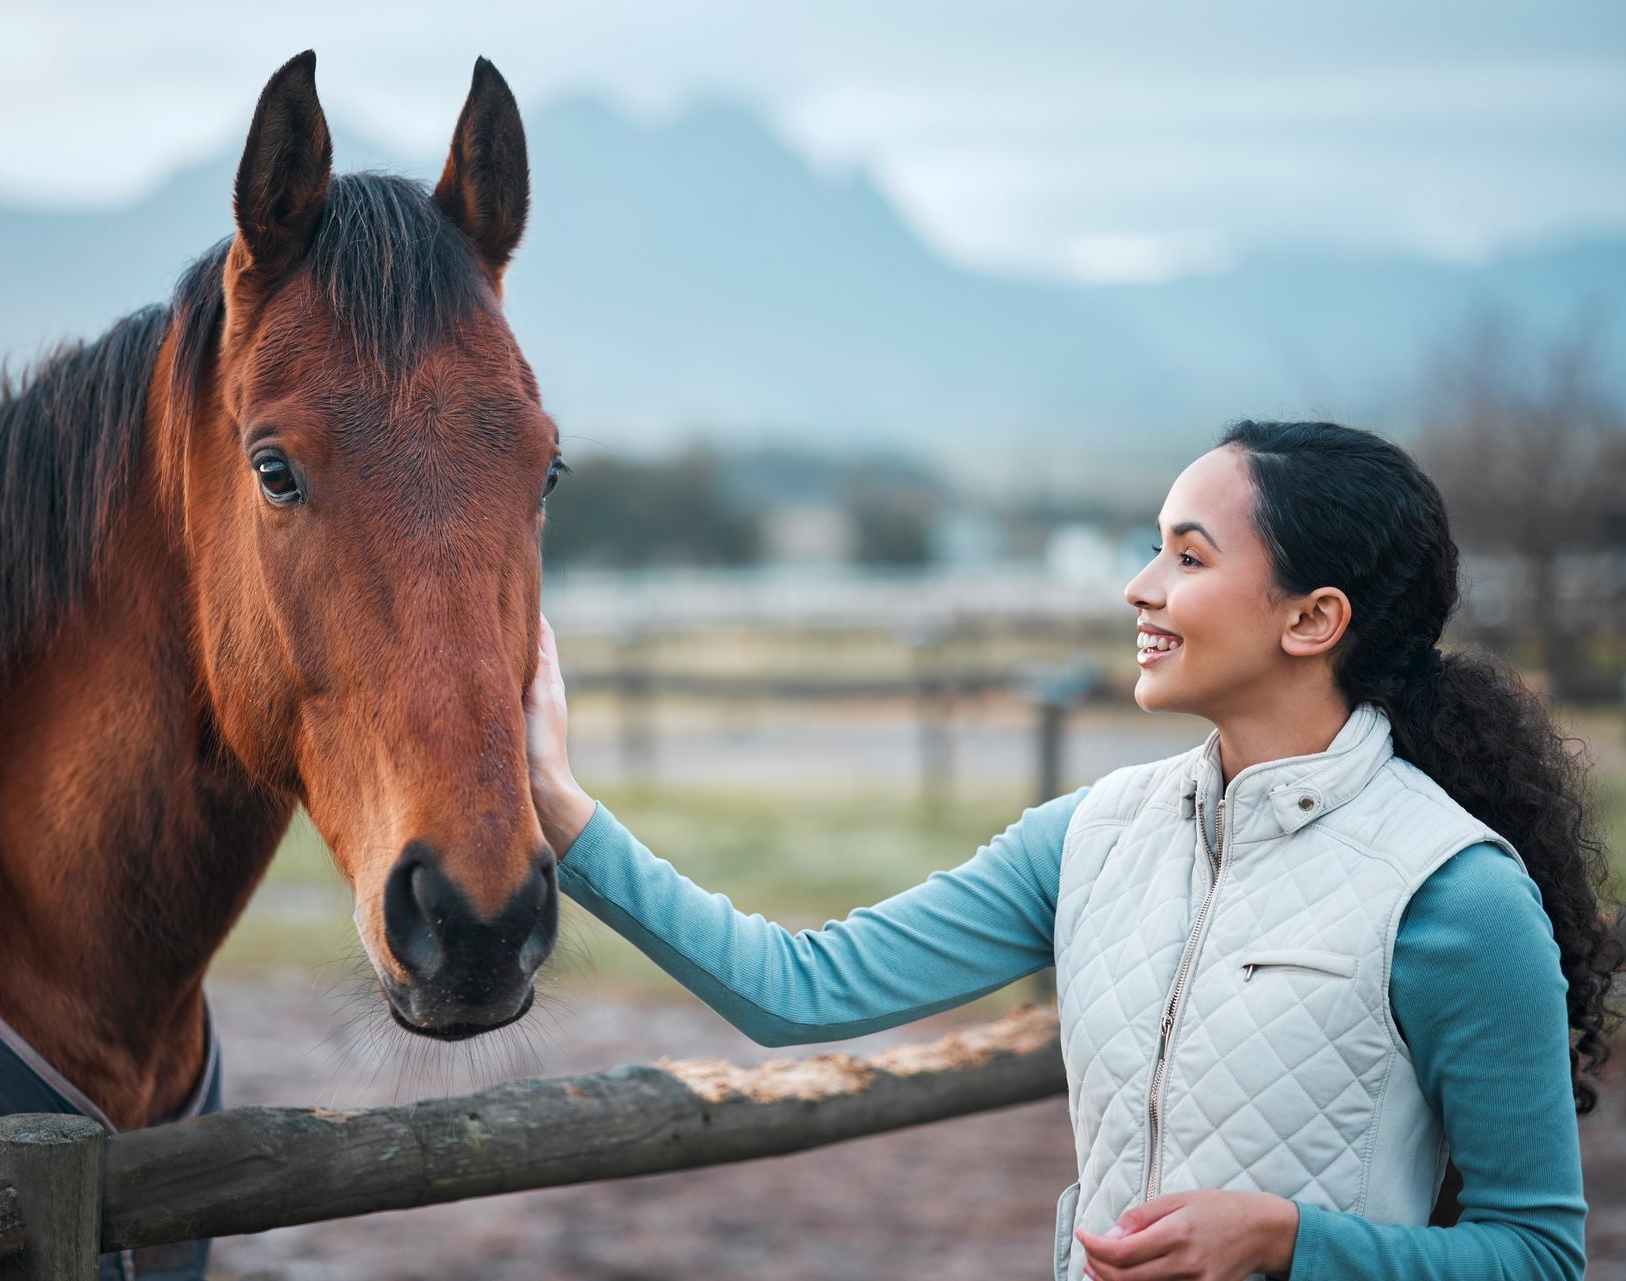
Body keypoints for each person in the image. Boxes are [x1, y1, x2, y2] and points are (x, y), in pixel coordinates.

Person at [523, 421, 1618, 1281]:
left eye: (1189, 556)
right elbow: (795, 991)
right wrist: (559, 808)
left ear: (1312, 619)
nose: (1140, 588)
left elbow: (1535, 1254)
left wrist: (1287, 1240)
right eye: (1154, 547)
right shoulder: (1088, 837)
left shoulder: (1454, 895)